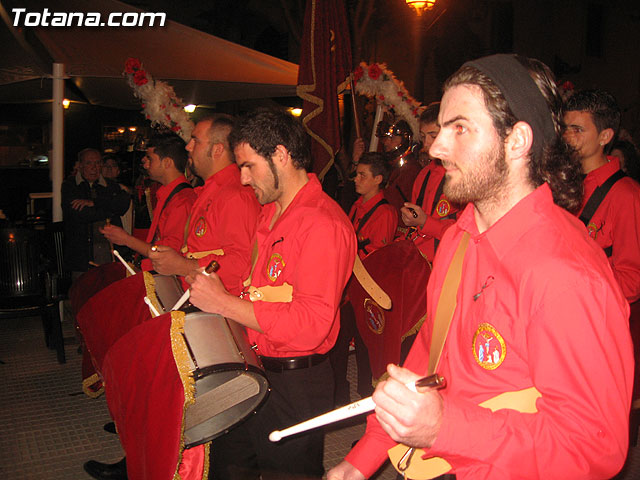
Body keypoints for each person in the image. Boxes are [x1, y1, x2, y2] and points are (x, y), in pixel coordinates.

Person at [329, 54, 633, 480]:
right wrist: (362, 459)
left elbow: (595, 446)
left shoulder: (565, 271)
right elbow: (427, 357)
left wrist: (445, 426)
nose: (435, 147)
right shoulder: (458, 237)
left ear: (516, 142)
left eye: (460, 128)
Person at [188, 108, 356, 479]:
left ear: (281, 155)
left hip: (296, 382)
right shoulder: (272, 212)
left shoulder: (321, 223)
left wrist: (225, 303)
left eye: (249, 166)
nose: (243, 179)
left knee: (289, 473)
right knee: (230, 466)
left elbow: (311, 323)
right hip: (256, 367)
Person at [148, 114, 260, 295]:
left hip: (217, 309)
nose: (188, 147)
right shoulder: (211, 191)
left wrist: (183, 265)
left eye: (195, 141)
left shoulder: (234, 195)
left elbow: (241, 265)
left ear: (217, 150)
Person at [564, 89, 640, 304]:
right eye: (565, 128)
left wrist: (576, 281)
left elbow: (632, 281)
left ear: (605, 136)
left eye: (577, 129)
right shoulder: (561, 181)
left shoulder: (627, 196)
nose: (567, 137)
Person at [100, 133, 196, 270]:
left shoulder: (182, 201)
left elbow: (167, 255)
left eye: (150, 158)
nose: (145, 163)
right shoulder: (168, 194)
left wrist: (126, 239)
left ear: (167, 162)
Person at [400, 102, 462, 263]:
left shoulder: (466, 178)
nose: (426, 144)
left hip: (448, 265)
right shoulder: (424, 174)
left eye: (433, 136)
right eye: (422, 136)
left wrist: (425, 222)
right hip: (419, 263)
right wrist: (411, 219)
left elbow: (467, 236)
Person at [61, 148, 131, 279]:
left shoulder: (110, 185)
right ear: (81, 165)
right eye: (89, 163)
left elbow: (122, 205)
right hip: (82, 255)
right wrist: (109, 209)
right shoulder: (70, 186)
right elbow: (81, 215)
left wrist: (94, 203)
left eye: (98, 163)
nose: (94, 168)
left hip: (109, 252)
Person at [352, 119, 422, 224]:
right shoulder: (387, 164)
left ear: (405, 138)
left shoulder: (412, 170)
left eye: (392, 138)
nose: (387, 143)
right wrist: (357, 160)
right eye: (385, 138)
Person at [349, 152, 398, 259]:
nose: (356, 179)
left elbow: (377, 257)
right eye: (357, 175)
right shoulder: (357, 205)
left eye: (362, 175)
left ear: (377, 179)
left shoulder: (385, 214)